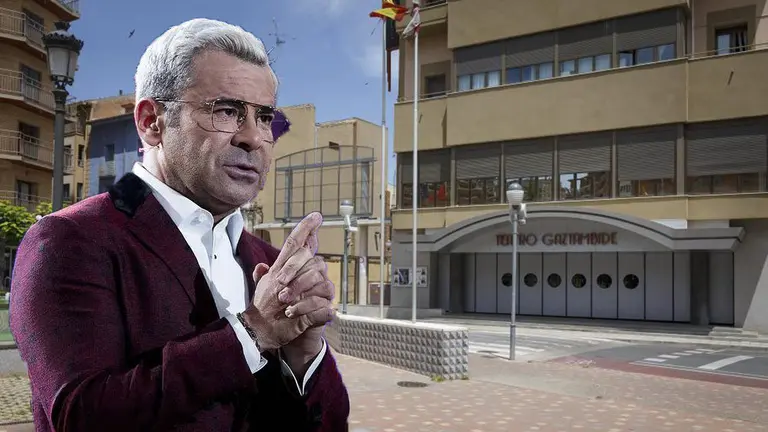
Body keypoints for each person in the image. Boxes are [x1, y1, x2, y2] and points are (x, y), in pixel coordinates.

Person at [10, 18, 349, 431]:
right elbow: (81, 415)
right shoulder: (70, 240)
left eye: (264, 118)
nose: (254, 138)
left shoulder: (268, 261)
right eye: (226, 110)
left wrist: (304, 357)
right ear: (152, 122)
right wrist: (253, 333)